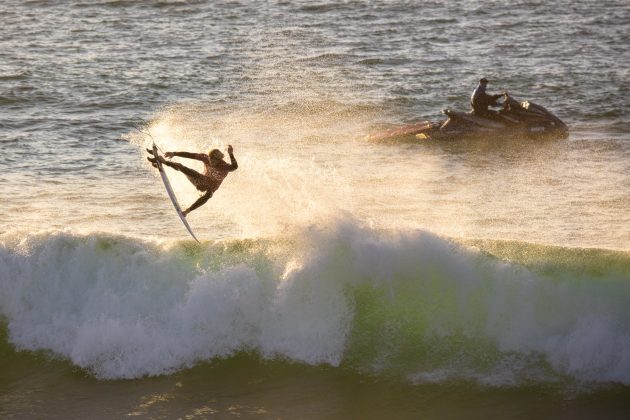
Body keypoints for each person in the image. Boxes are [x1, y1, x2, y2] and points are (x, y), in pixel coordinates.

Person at [147, 145, 238, 216]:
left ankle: (187, 211)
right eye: (210, 159)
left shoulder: (224, 167)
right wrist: (174, 153)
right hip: (199, 180)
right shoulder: (206, 158)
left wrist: (231, 154)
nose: (211, 162)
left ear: (219, 160)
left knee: (209, 194)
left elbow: (235, 167)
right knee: (180, 166)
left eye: (213, 161)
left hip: (209, 187)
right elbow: (189, 155)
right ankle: (163, 162)